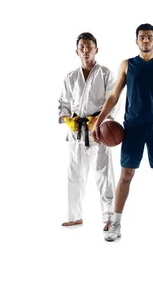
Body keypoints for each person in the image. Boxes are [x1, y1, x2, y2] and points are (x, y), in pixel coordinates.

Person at [91, 23, 153, 242]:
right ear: (137, 41)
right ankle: (117, 223)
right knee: (126, 175)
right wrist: (99, 121)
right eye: (142, 37)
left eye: (149, 37)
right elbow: (113, 96)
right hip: (132, 127)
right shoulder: (127, 65)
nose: (146, 40)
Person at [58, 32, 116, 233]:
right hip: (76, 133)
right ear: (77, 51)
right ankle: (74, 216)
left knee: (104, 176)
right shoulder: (71, 77)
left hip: (99, 132)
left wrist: (98, 121)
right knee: (74, 175)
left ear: (96, 49)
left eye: (89, 46)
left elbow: (113, 101)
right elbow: (63, 103)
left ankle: (110, 218)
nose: (85, 50)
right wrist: (67, 120)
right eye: (82, 47)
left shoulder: (106, 74)